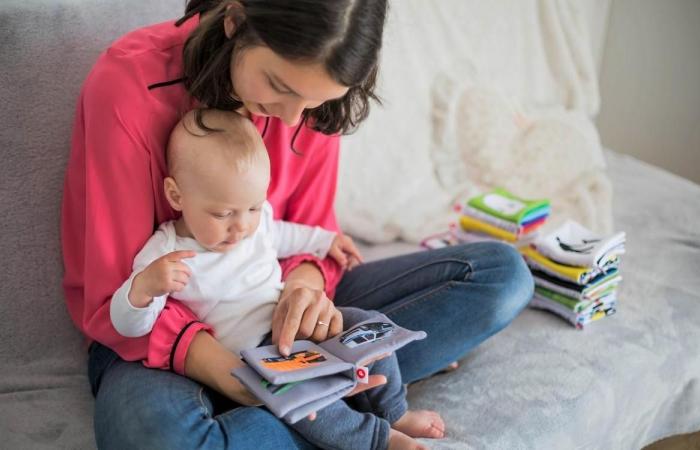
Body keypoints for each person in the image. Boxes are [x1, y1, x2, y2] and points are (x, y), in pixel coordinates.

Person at [61, 1, 533, 448]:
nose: (293, 118)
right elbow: (117, 295)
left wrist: (304, 291)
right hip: (153, 338)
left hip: (277, 317)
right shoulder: (127, 88)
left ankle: (315, 403)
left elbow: (311, 235)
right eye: (280, 86)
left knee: (502, 277)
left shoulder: (309, 103)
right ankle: (338, 413)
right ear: (235, 20)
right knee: (154, 439)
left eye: (315, 101)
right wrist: (228, 371)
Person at [108, 108, 443, 449]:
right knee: (307, 401)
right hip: (256, 354)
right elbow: (128, 325)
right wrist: (144, 289)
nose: (241, 226)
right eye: (222, 214)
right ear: (176, 195)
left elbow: (283, 235)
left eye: (253, 208)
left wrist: (324, 241)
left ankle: (394, 411)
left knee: (372, 326)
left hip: (295, 322)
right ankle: (377, 439)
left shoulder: (253, 221)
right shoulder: (167, 251)